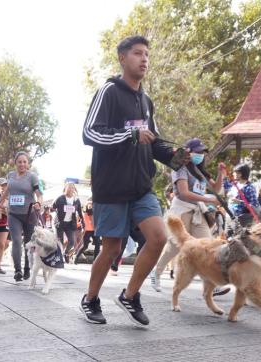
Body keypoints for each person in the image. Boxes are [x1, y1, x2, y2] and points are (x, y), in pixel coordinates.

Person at [80, 35, 189, 326]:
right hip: (112, 187)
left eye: (147, 55)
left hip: (141, 186)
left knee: (158, 238)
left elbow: (151, 142)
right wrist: (129, 135)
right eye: (138, 53)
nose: (144, 60)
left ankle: (130, 295)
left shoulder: (146, 100)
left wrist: (176, 156)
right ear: (122, 58)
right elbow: (90, 133)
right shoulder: (108, 91)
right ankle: (90, 299)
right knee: (112, 249)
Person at [150, 138, 228, 296]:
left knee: (209, 245)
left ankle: (213, 282)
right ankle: (156, 273)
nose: (201, 155)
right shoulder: (180, 168)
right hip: (181, 210)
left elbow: (216, 189)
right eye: (197, 152)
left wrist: (221, 174)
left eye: (202, 152)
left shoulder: (200, 171)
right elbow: (184, 192)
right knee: (175, 246)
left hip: (197, 210)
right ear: (187, 151)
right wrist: (207, 199)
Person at [0, 152, 43, 282]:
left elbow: (38, 193)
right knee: (16, 241)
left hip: (29, 215)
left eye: (24, 162)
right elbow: (8, 190)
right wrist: (0, 202)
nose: (22, 164)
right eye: (19, 162)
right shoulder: (10, 175)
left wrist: (39, 202)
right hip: (13, 214)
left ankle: (28, 268)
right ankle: (17, 270)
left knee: (28, 243)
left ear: (28, 164)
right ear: (15, 163)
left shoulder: (32, 177)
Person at [53, 182, 84, 263]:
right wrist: (57, 213)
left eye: (72, 187)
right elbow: (52, 207)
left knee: (72, 241)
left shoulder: (76, 200)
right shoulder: (60, 198)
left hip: (70, 223)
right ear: (65, 189)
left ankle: (66, 253)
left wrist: (83, 223)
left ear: (74, 189)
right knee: (60, 241)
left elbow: (80, 213)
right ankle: (58, 257)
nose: (70, 189)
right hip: (60, 223)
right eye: (68, 187)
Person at [75, 199, 99, 264]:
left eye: (91, 204)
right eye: (89, 204)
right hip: (87, 230)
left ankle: (95, 260)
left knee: (97, 245)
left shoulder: (95, 210)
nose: (90, 205)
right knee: (85, 246)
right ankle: (76, 257)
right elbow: (82, 220)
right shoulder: (85, 211)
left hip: (94, 230)